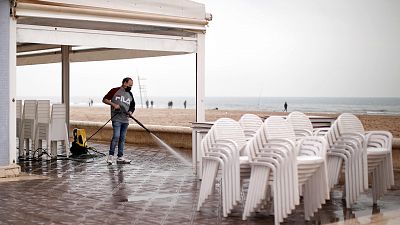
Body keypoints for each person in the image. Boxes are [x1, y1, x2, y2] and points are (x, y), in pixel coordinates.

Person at [103, 77, 135, 165]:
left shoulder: (130, 94)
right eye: (130, 85)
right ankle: (110, 156)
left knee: (122, 138)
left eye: (131, 85)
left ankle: (120, 157)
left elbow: (132, 106)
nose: (131, 87)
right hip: (116, 118)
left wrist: (130, 112)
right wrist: (113, 104)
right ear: (124, 83)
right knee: (116, 136)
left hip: (125, 119)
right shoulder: (114, 90)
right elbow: (104, 99)